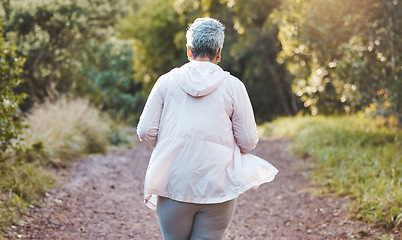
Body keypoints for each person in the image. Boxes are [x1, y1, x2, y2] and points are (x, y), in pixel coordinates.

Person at [137, 17, 278, 240]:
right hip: (218, 186)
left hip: (173, 182)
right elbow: (249, 141)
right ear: (219, 53)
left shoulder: (166, 81)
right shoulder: (233, 86)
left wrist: (172, 145)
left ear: (188, 50)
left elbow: (145, 131)